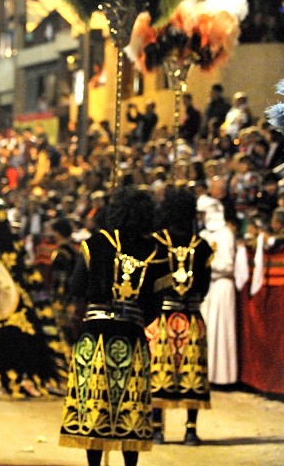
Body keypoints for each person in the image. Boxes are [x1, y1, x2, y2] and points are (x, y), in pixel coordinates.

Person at [60, 187, 167, 466]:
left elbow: (76, 291)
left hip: (95, 334)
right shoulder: (156, 253)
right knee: (130, 407)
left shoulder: (95, 243)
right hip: (131, 334)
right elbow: (155, 308)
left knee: (94, 406)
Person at [146, 188, 213, 446]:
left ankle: (156, 427)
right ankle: (190, 429)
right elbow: (205, 287)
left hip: (162, 315)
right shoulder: (203, 247)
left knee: (158, 373)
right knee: (192, 373)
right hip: (192, 315)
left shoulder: (157, 243)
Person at [197, 180, 239, 386]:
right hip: (208, 287)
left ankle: (223, 377)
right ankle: (206, 373)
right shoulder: (204, 235)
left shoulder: (225, 235)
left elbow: (228, 264)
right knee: (207, 329)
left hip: (222, 285)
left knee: (221, 330)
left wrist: (207, 265)